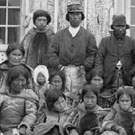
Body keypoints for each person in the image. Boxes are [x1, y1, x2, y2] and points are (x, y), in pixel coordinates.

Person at [47, 2, 97, 97]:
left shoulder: (88, 36)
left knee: (79, 95)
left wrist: (85, 66)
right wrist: (59, 66)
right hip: (63, 71)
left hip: (80, 72)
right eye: (72, 14)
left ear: (81, 17)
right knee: (62, 95)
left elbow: (92, 54)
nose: (75, 17)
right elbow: (51, 52)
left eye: (78, 14)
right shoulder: (59, 35)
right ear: (68, 16)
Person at [95, 15, 135, 90]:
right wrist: (99, 75)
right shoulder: (105, 41)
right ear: (113, 28)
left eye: (122, 27)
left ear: (126, 28)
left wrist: (131, 73)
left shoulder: (132, 42)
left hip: (127, 78)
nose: (120, 29)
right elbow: (99, 59)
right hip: (108, 78)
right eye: (117, 26)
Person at [0, 65, 38, 135]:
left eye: (22, 80)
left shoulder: (29, 96)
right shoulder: (2, 95)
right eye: (16, 80)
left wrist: (21, 129)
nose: (20, 83)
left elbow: (31, 115)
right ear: (10, 80)